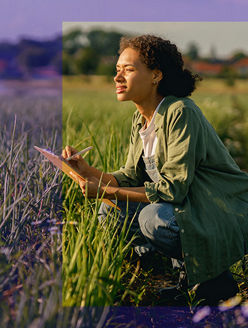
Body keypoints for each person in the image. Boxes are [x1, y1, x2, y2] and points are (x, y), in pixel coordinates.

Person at [62, 34, 248, 305]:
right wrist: (86, 169)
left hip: (218, 210)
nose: (117, 78)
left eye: (128, 69)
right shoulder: (141, 118)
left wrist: (106, 189)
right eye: (117, 70)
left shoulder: (180, 112)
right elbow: (130, 176)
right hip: (188, 208)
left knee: (154, 218)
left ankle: (215, 283)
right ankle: (182, 276)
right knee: (110, 210)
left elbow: (173, 189)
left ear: (156, 75)